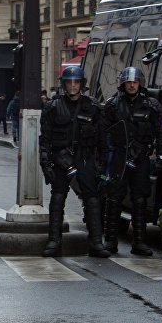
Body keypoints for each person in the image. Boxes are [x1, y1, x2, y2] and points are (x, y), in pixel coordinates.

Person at [39, 66, 111, 258]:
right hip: (60, 158)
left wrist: (104, 169)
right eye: (69, 82)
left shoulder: (93, 107)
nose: (73, 86)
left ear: (82, 84)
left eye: (76, 82)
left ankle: (96, 242)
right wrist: (45, 164)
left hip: (85, 158)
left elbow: (103, 142)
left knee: (92, 199)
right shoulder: (52, 107)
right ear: (64, 84)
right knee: (57, 198)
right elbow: (44, 140)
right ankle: (54, 241)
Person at [101, 67, 162, 257]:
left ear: (140, 83)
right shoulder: (112, 105)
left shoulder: (151, 105)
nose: (131, 85)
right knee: (114, 198)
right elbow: (102, 132)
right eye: (129, 82)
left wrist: (161, 155)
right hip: (119, 156)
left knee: (139, 200)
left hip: (141, 158)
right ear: (123, 83)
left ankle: (139, 242)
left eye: (135, 82)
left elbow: (161, 133)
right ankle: (110, 242)